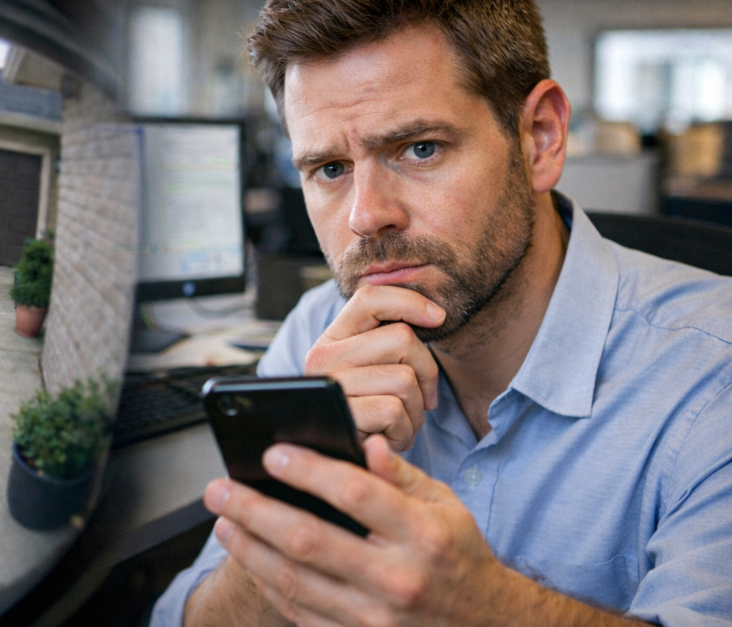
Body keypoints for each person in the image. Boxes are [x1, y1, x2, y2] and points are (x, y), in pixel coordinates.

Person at [151, 0, 732, 625]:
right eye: (330, 168)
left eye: (420, 148)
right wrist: (294, 515)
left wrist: (486, 610)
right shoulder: (321, 334)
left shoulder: (711, 378)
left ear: (540, 138)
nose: (366, 217)